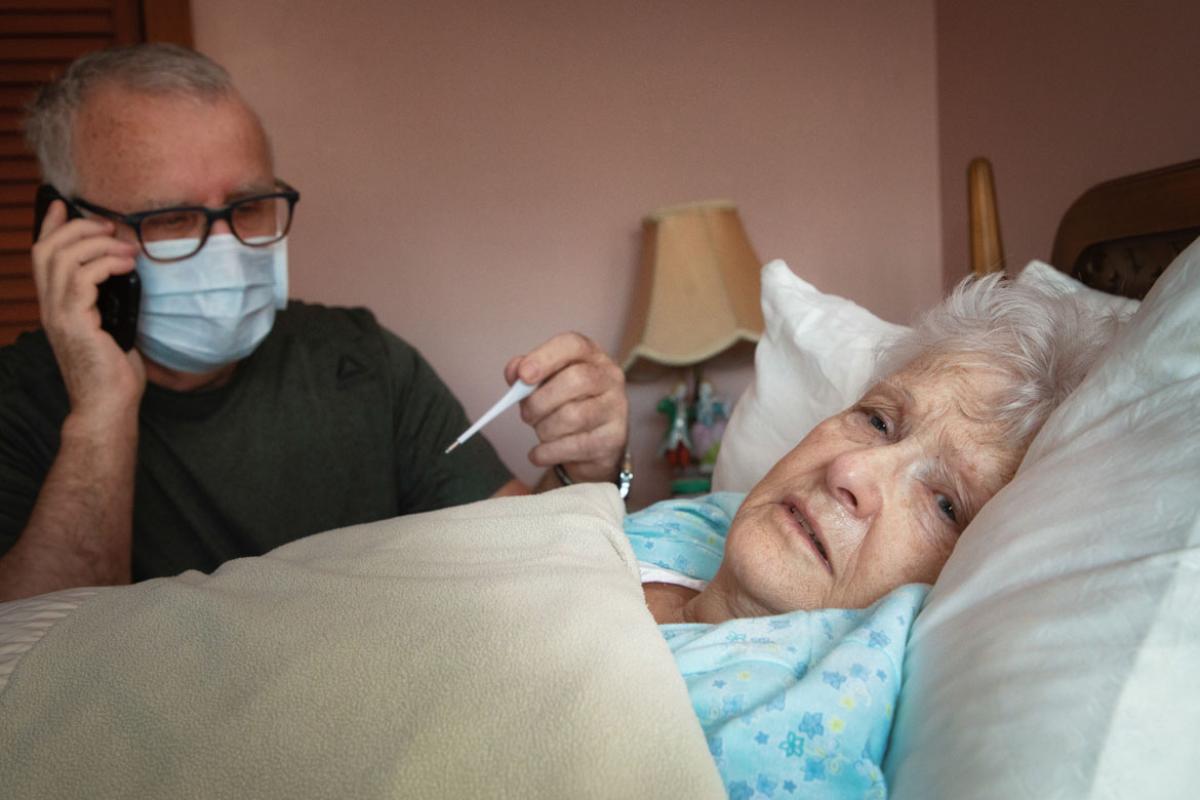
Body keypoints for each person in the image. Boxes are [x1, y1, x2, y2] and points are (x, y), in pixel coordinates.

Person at [0, 44, 629, 602]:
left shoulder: (363, 363)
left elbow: (531, 567)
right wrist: (102, 415)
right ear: (67, 230)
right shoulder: (16, 401)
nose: (227, 247)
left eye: (249, 206)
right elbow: (31, 659)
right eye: (171, 219)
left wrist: (583, 469)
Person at [623, 272, 1118, 796]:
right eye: (879, 421)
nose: (850, 470)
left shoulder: (790, 735)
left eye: (945, 505)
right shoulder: (709, 518)